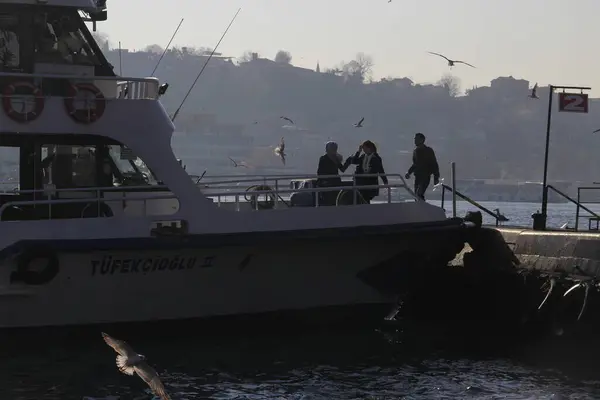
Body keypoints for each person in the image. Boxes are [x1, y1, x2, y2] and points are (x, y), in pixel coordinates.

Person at [405, 133, 440, 201]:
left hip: (425, 176)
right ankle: (420, 208)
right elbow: (415, 164)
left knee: (419, 194)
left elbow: (434, 164)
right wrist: (409, 172)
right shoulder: (416, 151)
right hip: (417, 176)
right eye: (415, 139)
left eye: (417, 139)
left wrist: (436, 177)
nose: (415, 140)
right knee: (416, 196)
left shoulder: (428, 150)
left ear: (422, 140)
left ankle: (423, 207)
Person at [316, 141, 350, 206]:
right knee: (328, 200)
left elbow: (342, 169)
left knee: (336, 199)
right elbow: (320, 172)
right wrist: (322, 181)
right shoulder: (323, 158)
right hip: (327, 182)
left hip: (336, 182)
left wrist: (348, 162)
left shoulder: (336, 158)